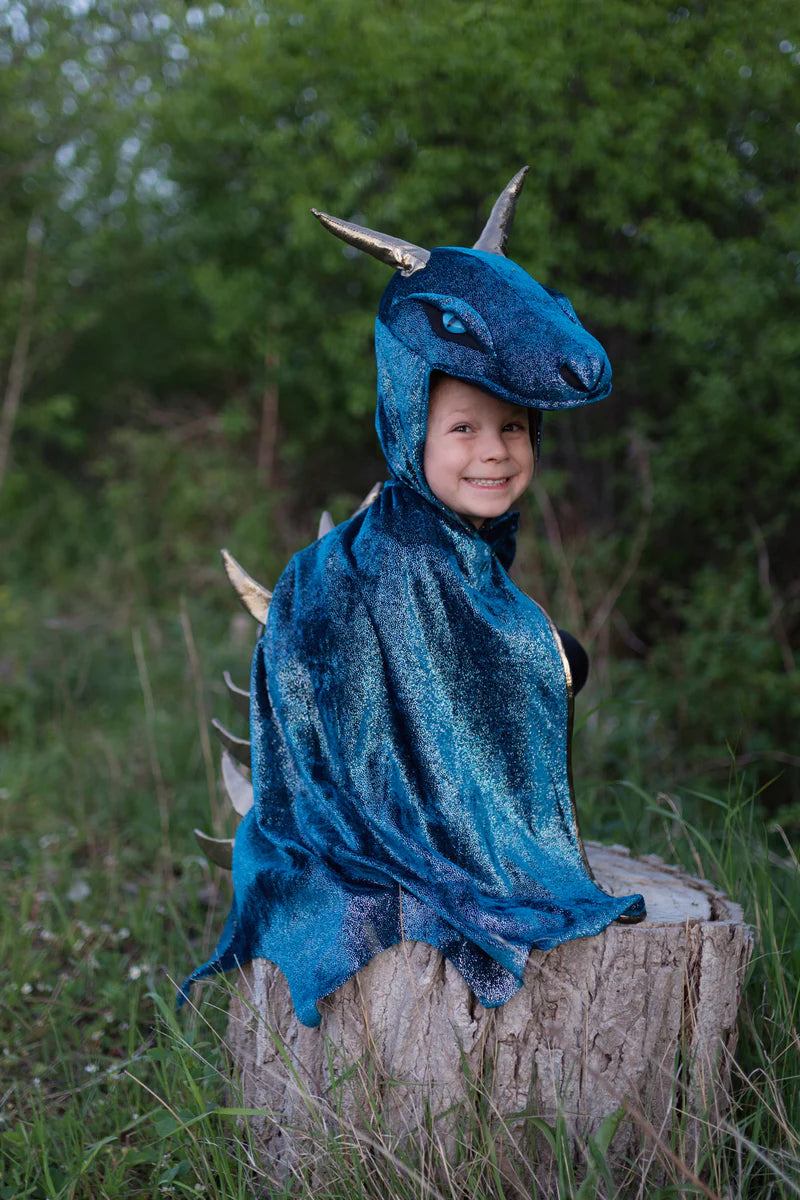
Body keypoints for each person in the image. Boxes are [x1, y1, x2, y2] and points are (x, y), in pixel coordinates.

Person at [181, 169, 645, 1028]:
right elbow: (468, 685)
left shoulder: (443, 538)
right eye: (463, 428)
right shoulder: (405, 557)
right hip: (380, 840)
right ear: (407, 425)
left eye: (513, 428)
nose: (494, 452)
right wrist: (551, 656)